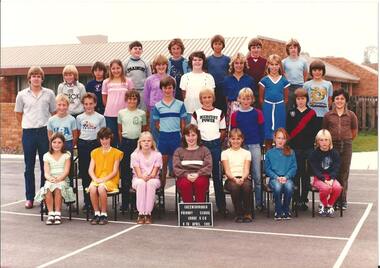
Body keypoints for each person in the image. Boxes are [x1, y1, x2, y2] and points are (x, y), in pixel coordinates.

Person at [15, 66, 56, 209]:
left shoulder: (49, 93)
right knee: (29, 167)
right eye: (33, 76)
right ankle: (30, 198)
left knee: (46, 166)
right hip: (29, 133)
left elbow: (54, 112)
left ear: (42, 78)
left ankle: (44, 196)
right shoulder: (21, 95)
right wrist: (27, 125)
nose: (36, 78)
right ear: (29, 79)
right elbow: (18, 114)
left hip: (44, 132)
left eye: (39, 76)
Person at [191, 88, 227, 214]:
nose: (207, 100)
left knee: (217, 177)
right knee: (200, 176)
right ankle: (200, 205)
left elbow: (223, 130)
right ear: (201, 100)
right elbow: (193, 131)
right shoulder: (196, 113)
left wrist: (218, 141)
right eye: (204, 98)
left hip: (215, 145)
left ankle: (221, 207)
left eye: (209, 97)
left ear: (213, 98)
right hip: (201, 146)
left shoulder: (219, 113)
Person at [322, 89, 358, 210]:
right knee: (334, 173)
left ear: (346, 100)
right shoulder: (328, 115)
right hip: (332, 146)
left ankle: (342, 200)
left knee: (344, 173)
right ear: (333, 100)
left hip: (346, 145)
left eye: (342, 98)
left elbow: (354, 131)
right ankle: (334, 199)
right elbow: (324, 131)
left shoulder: (351, 115)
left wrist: (347, 139)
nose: (339, 101)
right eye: (337, 98)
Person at [230, 87, 264, 210]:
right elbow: (234, 131)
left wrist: (260, 143)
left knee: (257, 175)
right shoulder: (235, 115)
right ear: (239, 99)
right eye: (243, 98)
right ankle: (244, 202)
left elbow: (262, 130)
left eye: (248, 98)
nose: (245, 101)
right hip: (241, 147)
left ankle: (259, 203)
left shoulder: (258, 113)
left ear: (252, 99)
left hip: (254, 145)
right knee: (242, 175)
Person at [286, 88, 319, 211]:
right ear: (295, 100)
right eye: (298, 99)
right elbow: (288, 129)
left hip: (308, 148)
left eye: (303, 99)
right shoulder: (291, 113)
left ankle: (303, 200)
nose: (300, 101)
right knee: (295, 175)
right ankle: (295, 200)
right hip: (295, 148)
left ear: (307, 100)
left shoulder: (312, 113)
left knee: (305, 176)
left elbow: (314, 131)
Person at [152, 76, 187, 187]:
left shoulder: (180, 104)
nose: (167, 90)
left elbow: (183, 122)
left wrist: (181, 135)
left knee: (178, 167)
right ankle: (161, 192)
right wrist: (164, 130)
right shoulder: (157, 106)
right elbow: (157, 124)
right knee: (162, 168)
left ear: (173, 89)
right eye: (165, 88)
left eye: (170, 88)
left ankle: (180, 192)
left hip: (176, 136)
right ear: (161, 89)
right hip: (163, 138)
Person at [34, 133, 75, 225]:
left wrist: (60, 178)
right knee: (48, 187)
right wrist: (50, 179)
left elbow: (66, 171)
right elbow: (46, 172)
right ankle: (51, 213)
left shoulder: (66, 155)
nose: (56, 145)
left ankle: (57, 213)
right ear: (51, 143)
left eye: (59, 142)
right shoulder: (46, 155)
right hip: (51, 179)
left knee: (58, 187)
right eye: (54, 142)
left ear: (63, 143)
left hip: (63, 179)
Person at [117, 90, 147, 211]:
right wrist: (122, 143)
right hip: (125, 143)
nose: (132, 101)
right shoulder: (121, 113)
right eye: (129, 99)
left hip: (137, 144)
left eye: (134, 99)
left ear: (138, 101)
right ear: (126, 100)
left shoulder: (142, 113)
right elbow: (119, 130)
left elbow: (144, 129)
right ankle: (125, 203)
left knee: (136, 172)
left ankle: (135, 203)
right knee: (125, 173)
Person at [76, 93, 106, 211]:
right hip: (83, 145)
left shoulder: (100, 117)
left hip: (96, 145)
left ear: (95, 104)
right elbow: (78, 133)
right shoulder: (79, 118)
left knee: (96, 173)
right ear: (83, 105)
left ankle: (97, 200)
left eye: (91, 104)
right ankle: (87, 201)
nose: (88, 106)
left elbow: (103, 134)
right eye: (86, 104)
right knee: (85, 174)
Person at [88, 127, 124, 225]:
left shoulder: (116, 152)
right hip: (97, 178)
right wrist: (95, 179)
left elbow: (114, 171)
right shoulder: (94, 152)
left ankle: (104, 213)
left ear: (110, 138)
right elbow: (90, 170)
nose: (104, 141)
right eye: (102, 139)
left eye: (106, 138)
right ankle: (96, 213)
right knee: (92, 188)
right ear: (99, 140)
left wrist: (103, 180)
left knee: (101, 188)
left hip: (110, 180)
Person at [173, 124, 212, 203]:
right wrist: (186, 175)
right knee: (185, 184)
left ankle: (200, 209)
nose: (191, 138)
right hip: (184, 177)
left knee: (200, 183)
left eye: (193, 135)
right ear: (184, 136)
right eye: (188, 135)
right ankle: (188, 209)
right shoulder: (178, 151)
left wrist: (198, 174)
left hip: (201, 176)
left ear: (198, 136)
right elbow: (176, 168)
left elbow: (208, 166)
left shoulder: (205, 150)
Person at [259, 54, 290, 150]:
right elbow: (261, 98)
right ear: (268, 65)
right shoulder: (264, 80)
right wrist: (266, 107)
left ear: (280, 66)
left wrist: (280, 106)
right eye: (272, 64)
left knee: (280, 133)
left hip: (279, 109)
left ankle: (280, 156)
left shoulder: (284, 80)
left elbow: (286, 98)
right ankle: (268, 155)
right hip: (267, 108)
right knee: (268, 135)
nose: (274, 67)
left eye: (276, 64)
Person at [265, 128, 297, 220]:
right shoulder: (269, 153)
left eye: (283, 138)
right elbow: (267, 169)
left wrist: (286, 177)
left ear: (286, 140)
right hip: (274, 179)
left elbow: (293, 167)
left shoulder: (291, 152)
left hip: (287, 178)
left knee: (289, 187)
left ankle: (286, 209)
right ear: (274, 138)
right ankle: (278, 210)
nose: (280, 140)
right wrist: (276, 177)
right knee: (278, 187)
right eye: (279, 138)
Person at [308, 129, 342, 217]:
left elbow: (336, 167)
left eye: (326, 140)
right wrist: (323, 179)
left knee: (338, 188)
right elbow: (315, 169)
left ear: (330, 141)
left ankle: (329, 205)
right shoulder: (314, 154)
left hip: (331, 178)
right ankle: (323, 204)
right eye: (321, 140)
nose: (324, 142)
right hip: (318, 178)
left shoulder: (334, 153)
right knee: (326, 188)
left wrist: (331, 179)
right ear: (317, 141)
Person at [131, 132, 162, 224]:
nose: (146, 143)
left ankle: (148, 213)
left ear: (152, 142)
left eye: (148, 140)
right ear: (139, 142)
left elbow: (155, 172)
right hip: (138, 178)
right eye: (143, 141)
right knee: (141, 183)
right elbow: (138, 173)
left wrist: (149, 176)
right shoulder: (134, 155)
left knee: (150, 183)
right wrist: (142, 177)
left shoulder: (157, 155)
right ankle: (141, 213)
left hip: (153, 178)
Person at [221, 128, 252, 223]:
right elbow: (227, 171)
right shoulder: (225, 153)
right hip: (230, 179)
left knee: (247, 186)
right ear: (229, 139)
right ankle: (239, 213)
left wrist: (242, 178)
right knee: (234, 187)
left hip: (243, 177)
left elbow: (246, 169)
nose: (235, 141)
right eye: (233, 138)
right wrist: (234, 179)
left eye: (238, 138)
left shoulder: (247, 153)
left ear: (242, 140)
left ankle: (247, 213)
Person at [102, 59, 134, 147]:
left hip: (125, 115)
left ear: (122, 68)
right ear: (110, 70)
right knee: (112, 138)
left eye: (118, 68)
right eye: (113, 68)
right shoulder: (106, 82)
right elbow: (104, 99)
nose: (116, 70)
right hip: (110, 115)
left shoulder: (128, 81)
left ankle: (123, 159)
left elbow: (132, 97)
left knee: (123, 137)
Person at [223, 53, 256, 132]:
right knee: (233, 131)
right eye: (236, 63)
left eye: (241, 63)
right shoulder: (227, 80)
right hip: (231, 108)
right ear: (232, 65)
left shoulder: (250, 80)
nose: (239, 65)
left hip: (246, 107)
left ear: (244, 65)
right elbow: (225, 97)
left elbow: (252, 98)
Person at [180, 51, 215, 122]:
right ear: (191, 62)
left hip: (205, 112)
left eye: (200, 60)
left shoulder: (209, 77)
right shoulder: (185, 77)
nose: (197, 62)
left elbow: (212, 95)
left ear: (203, 62)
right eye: (195, 60)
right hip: (189, 112)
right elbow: (184, 95)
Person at [144, 54, 171, 144]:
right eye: (158, 65)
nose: (161, 67)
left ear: (167, 65)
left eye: (163, 64)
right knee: (155, 132)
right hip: (154, 109)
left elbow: (173, 94)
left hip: (167, 109)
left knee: (166, 132)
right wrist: (150, 108)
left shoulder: (171, 79)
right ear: (155, 66)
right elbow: (146, 96)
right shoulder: (149, 80)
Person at [303, 59, 333, 129]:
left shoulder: (328, 84)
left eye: (319, 70)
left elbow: (330, 99)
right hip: (310, 115)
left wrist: (327, 109)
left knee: (322, 136)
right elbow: (304, 100)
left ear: (323, 71)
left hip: (324, 115)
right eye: (314, 70)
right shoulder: (306, 85)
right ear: (311, 71)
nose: (317, 72)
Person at [282, 38, 308, 111]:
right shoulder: (284, 62)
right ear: (288, 50)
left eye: (295, 47)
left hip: (300, 86)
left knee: (300, 108)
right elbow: (283, 74)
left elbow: (305, 74)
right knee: (288, 108)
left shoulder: (303, 61)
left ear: (298, 49)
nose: (293, 49)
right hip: (289, 87)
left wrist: (303, 85)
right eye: (291, 48)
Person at [124, 41, 152, 110]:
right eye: (135, 48)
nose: (138, 50)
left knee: (142, 111)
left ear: (142, 51)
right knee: (131, 110)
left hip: (142, 91)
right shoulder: (126, 63)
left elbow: (149, 78)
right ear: (130, 50)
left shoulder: (145, 63)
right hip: (130, 91)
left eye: (140, 49)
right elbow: (123, 77)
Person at [206, 34, 230, 113]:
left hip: (223, 88)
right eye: (215, 44)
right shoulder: (208, 59)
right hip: (211, 88)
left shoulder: (227, 59)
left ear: (223, 45)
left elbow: (229, 73)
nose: (217, 46)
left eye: (220, 44)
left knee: (222, 110)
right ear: (212, 45)